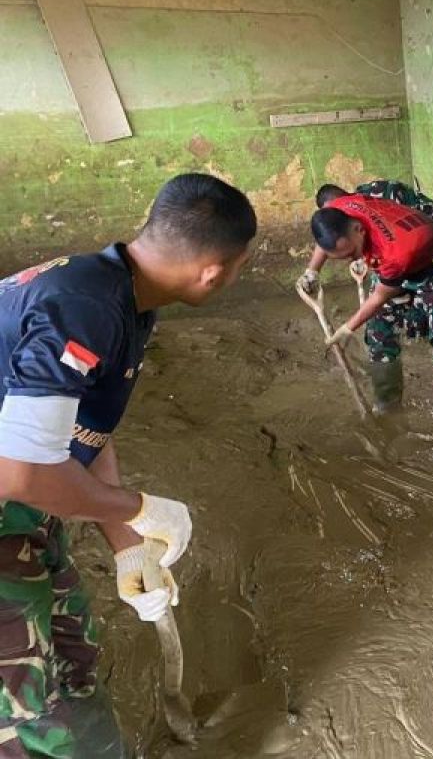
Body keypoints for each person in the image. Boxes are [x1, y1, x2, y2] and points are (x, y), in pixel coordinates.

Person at [0, 173, 257, 757]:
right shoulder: (83, 307)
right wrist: (138, 507)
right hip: (13, 490)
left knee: (73, 656)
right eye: (240, 267)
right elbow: (21, 472)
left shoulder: (126, 299)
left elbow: (86, 429)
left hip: (22, 510)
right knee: (22, 705)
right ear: (214, 272)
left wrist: (128, 545)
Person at [296, 183, 433, 449]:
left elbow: (380, 296)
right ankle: (387, 408)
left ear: (358, 229)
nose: (351, 259)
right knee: (378, 332)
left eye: (351, 253)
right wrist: (312, 271)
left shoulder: (396, 252)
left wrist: (348, 328)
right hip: (395, 260)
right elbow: (326, 234)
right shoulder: (338, 208)